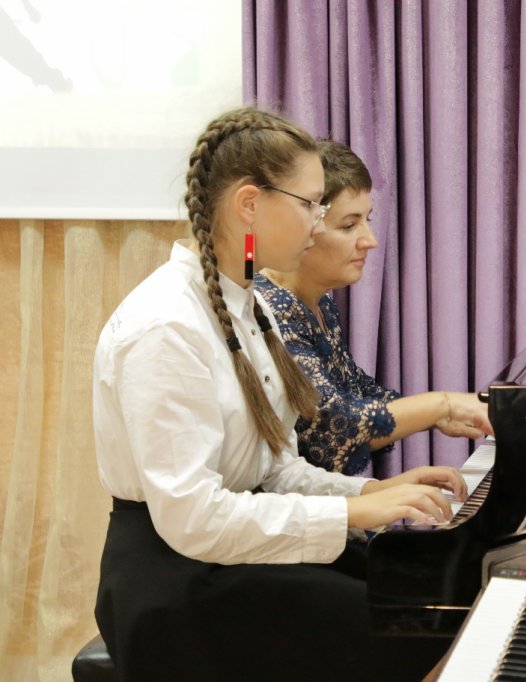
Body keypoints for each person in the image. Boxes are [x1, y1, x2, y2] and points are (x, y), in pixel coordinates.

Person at [92, 107, 465, 682]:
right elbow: (193, 518)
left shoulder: (250, 303)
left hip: (230, 552)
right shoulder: (167, 327)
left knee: (430, 598)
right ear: (250, 204)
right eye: (310, 204)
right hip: (179, 583)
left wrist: (371, 490)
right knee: (407, 629)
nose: (318, 224)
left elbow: (274, 469)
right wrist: (351, 511)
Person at [255, 140, 491, 476]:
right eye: (349, 225)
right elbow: (336, 429)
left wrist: (439, 415)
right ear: (303, 226)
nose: (370, 240)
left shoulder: (319, 302)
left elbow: (358, 391)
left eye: (367, 220)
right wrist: (442, 405)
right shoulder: (271, 309)